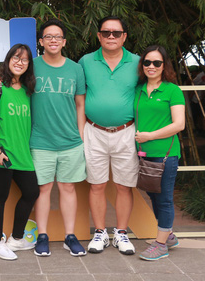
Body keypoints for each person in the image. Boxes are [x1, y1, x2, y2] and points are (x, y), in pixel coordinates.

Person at [0, 19, 87, 257]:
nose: (53, 40)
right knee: (42, 190)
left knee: (68, 188)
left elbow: (80, 104)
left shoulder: (76, 69)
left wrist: (81, 138)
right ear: (41, 42)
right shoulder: (32, 67)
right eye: (48, 36)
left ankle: (69, 236)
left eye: (58, 36)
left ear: (64, 41)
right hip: (39, 141)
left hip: (70, 141)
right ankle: (42, 235)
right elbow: (11, 77)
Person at [78, 16, 140, 255]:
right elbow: (78, 97)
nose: (111, 37)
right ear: (99, 36)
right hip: (94, 131)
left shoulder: (137, 62)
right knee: (97, 185)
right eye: (106, 33)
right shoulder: (85, 61)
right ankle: (100, 233)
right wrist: (81, 131)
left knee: (125, 186)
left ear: (124, 36)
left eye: (116, 33)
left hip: (127, 131)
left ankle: (121, 233)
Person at [0, 43, 40, 260]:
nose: (19, 62)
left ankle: (15, 239)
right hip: (1, 152)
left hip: (21, 152)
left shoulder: (27, 90)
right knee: (0, 197)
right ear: (8, 60)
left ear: (29, 65)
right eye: (15, 57)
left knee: (32, 192)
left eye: (24, 59)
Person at [134, 45, 185, 261]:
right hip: (144, 155)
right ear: (142, 65)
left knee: (164, 199)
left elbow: (179, 124)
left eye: (157, 63)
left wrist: (150, 136)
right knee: (153, 196)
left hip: (165, 154)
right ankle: (168, 235)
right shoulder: (138, 89)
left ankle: (161, 244)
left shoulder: (172, 90)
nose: (151, 66)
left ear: (164, 66)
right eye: (147, 62)